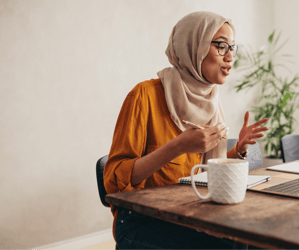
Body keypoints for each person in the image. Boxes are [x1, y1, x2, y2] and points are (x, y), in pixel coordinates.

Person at [104, 11, 269, 250]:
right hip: (143, 221)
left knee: (257, 239)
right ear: (194, 46)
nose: (231, 57)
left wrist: (239, 148)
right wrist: (178, 146)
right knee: (233, 246)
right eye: (221, 46)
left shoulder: (211, 102)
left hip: (193, 212)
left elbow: (206, 173)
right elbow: (113, 179)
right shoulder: (144, 95)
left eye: (233, 47)